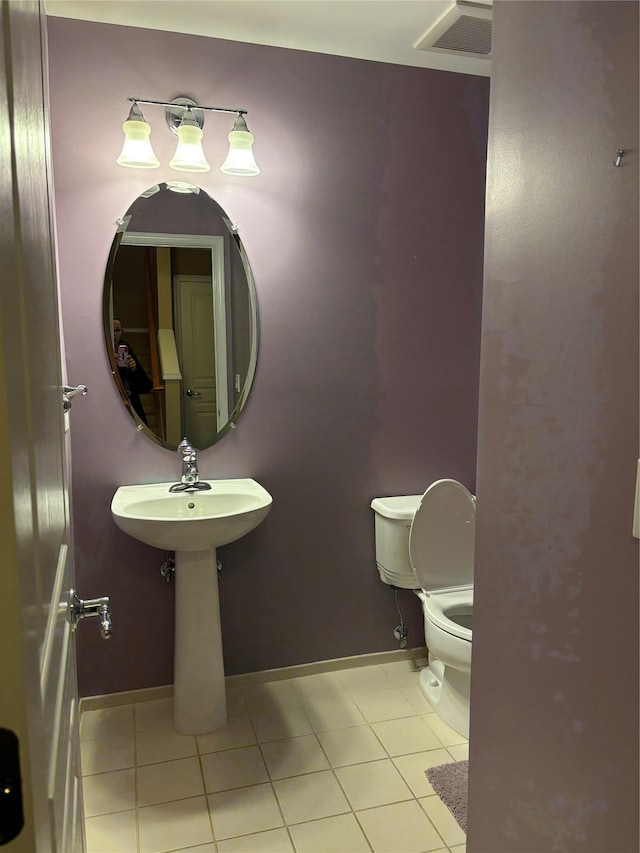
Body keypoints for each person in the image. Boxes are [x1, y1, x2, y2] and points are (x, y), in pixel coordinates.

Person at [113, 317, 153, 425]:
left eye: (118, 330)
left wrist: (134, 368)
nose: (115, 334)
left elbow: (146, 386)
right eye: (112, 331)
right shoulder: (102, 353)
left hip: (131, 402)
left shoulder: (126, 350)